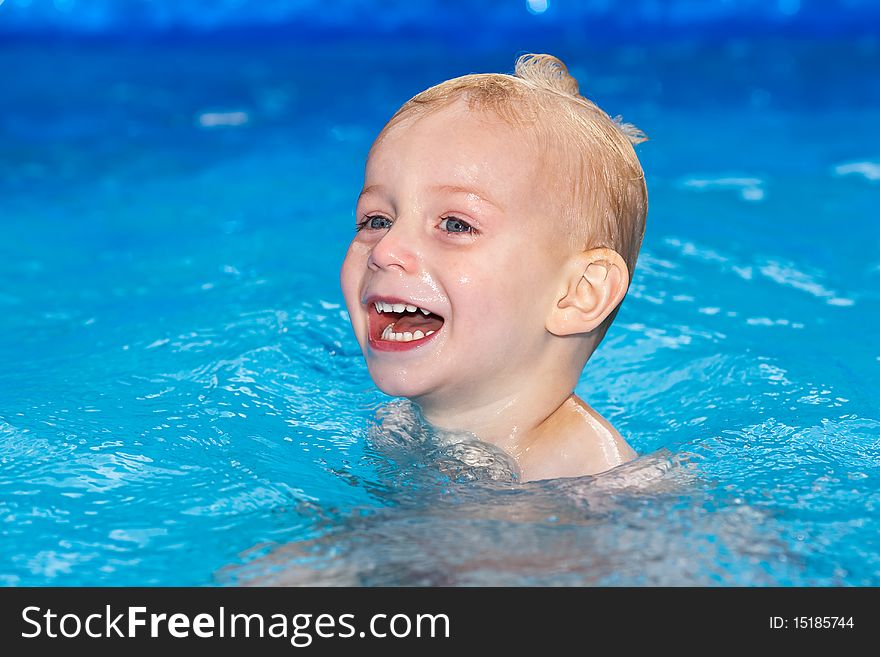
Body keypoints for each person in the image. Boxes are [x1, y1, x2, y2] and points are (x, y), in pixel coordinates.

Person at [340, 53, 648, 482]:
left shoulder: (605, 486)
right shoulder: (397, 425)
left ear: (579, 293)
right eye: (377, 221)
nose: (386, 249)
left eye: (455, 224)